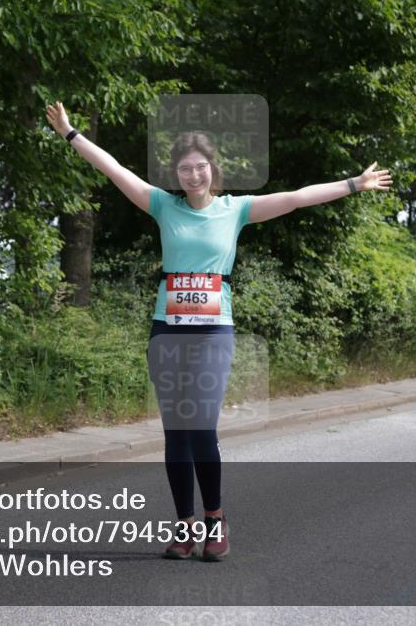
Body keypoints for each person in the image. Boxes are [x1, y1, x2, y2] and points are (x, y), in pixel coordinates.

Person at [45, 101, 392, 560]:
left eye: (200, 167)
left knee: (201, 427)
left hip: (213, 332)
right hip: (167, 331)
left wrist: (354, 184)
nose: (193, 175)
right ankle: (184, 527)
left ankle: (215, 520)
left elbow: (297, 197)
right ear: (177, 174)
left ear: (213, 169)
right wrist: (71, 133)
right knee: (175, 433)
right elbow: (112, 168)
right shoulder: (162, 205)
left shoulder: (235, 209)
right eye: (185, 169)